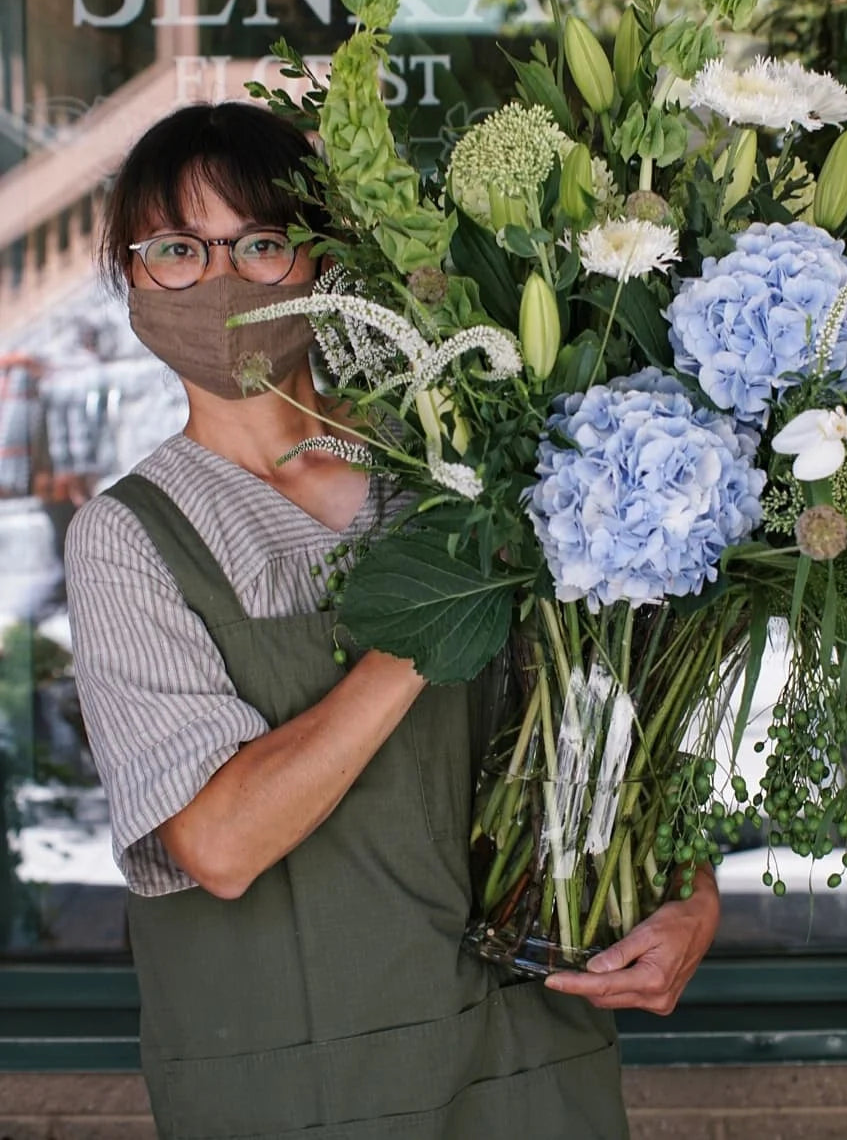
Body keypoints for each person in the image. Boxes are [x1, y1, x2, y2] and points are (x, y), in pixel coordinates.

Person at [65, 101, 720, 1140]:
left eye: (264, 243)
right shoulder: (132, 538)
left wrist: (692, 890)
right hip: (299, 1084)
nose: (222, 279)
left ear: (324, 263)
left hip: (527, 1055)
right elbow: (222, 843)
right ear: (133, 277)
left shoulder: (450, 459)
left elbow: (604, 697)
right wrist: (437, 612)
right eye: (179, 250)